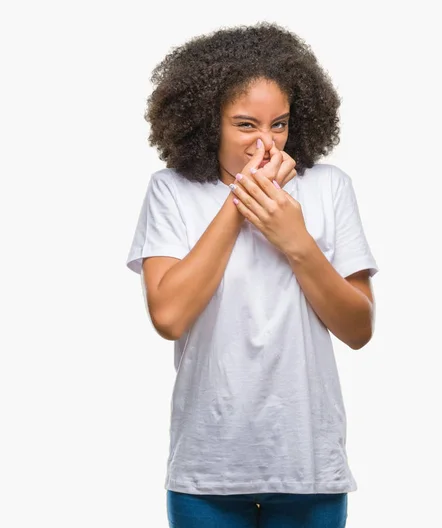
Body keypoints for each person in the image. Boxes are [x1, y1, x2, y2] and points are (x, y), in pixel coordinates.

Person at [125, 21, 379, 528]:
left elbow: (358, 329)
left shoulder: (329, 188)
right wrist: (242, 202)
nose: (266, 143)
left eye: (279, 124)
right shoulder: (170, 191)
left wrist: (296, 240)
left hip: (308, 467)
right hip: (208, 470)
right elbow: (169, 316)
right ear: (207, 123)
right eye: (246, 125)